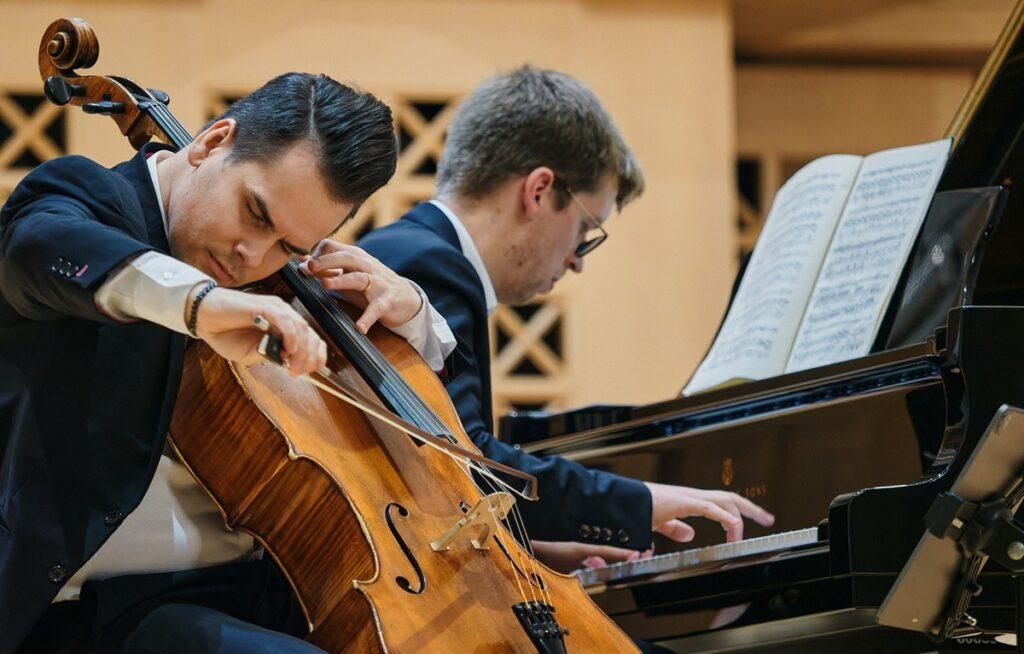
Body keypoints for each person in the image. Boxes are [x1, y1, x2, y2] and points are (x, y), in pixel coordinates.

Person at [0, 72, 454, 653]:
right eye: (256, 213)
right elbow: (38, 246)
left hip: (251, 598)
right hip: (86, 614)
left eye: (289, 247)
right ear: (213, 142)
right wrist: (200, 302)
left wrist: (412, 311)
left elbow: (432, 430)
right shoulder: (89, 199)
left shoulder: (281, 288)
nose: (252, 257)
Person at [358, 66, 774, 569]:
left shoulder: (411, 251)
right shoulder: (431, 266)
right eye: (585, 230)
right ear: (538, 190)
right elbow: (463, 462)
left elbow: (417, 476)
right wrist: (639, 501)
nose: (577, 260)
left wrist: (537, 548)